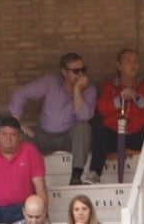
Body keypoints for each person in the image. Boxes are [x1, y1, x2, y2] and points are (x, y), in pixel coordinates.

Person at [9, 53, 96, 186]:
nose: (81, 74)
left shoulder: (89, 90)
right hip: (45, 135)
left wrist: (77, 91)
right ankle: (19, 179)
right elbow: (20, 94)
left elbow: (83, 117)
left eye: (83, 70)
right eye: (76, 71)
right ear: (64, 72)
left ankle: (76, 177)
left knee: (84, 127)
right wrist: (17, 122)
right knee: (18, 135)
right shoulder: (50, 82)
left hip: (70, 137)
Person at [88, 48, 144, 185]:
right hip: (115, 134)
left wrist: (136, 97)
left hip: (137, 134)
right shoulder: (110, 86)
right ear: (119, 66)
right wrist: (120, 99)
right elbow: (101, 109)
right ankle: (95, 173)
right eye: (128, 61)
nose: (133, 65)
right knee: (100, 133)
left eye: (136, 62)